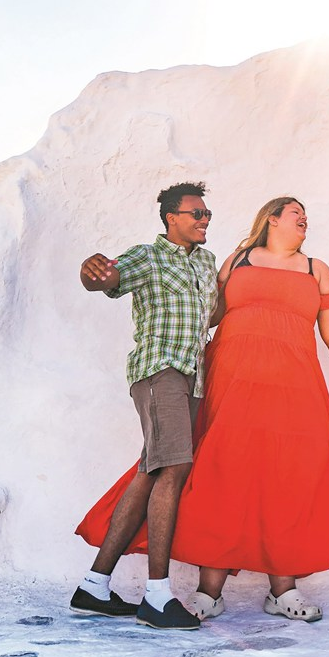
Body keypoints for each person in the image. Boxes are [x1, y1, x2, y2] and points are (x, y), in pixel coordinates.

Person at [77, 196, 329, 625]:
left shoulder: (315, 269)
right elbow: (205, 313)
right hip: (230, 379)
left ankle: (283, 589)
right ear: (272, 219)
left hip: (294, 383)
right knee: (222, 472)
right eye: (296, 212)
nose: (304, 217)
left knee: (286, 475)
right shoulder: (238, 260)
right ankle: (208, 591)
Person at [70, 181, 219, 631]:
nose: (205, 219)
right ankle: (157, 596)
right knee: (174, 468)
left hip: (193, 379)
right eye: (196, 213)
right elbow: (105, 279)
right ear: (172, 218)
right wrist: (91, 270)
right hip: (159, 371)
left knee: (151, 471)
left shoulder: (207, 262)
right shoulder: (148, 256)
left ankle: (94, 586)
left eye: (207, 213)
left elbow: (214, 313)